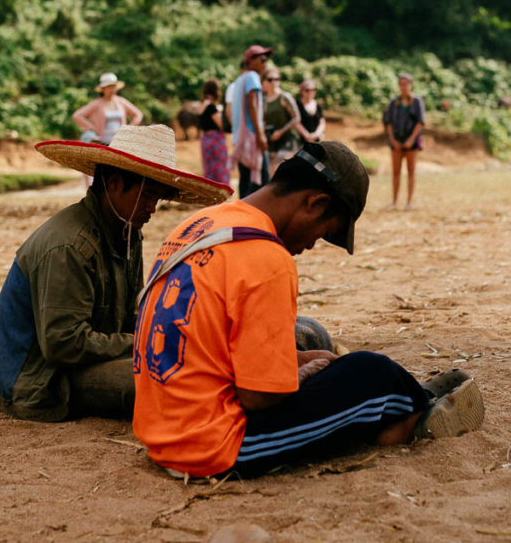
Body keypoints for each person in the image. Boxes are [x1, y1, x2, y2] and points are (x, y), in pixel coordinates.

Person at [132, 142, 484, 478]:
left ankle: (403, 401)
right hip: (212, 444)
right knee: (371, 372)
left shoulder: (204, 224)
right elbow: (258, 398)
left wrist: (299, 361)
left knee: (308, 336)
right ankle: (409, 417)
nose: (313, 244)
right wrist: (299, 377)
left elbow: (212, 336)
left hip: (162, 428)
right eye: (323, 232)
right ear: (314, 204)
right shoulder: (267, 257)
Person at [0, 125, 231, 422]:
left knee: (196, 354)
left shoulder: (127, 231)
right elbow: (64, 344)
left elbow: (132, 315)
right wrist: (140, 341)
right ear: (114, 184)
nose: (152, 208)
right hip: (43, 380)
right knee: (176, 378)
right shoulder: (70, 246)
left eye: (157, 199)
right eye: (147, 196)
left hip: (88, 359)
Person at [230, 45, 272, 199]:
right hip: (252, 139)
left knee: (246, 182)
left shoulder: (240, 79)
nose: (265, 63)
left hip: (240, 141)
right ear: (251, 60)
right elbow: (252, 104)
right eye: (262, 59)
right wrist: (260, 135)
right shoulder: (253, 77)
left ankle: (242, 217)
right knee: (262, 182)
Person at [383, 72, 425, 211]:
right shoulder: (394, 102)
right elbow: (388, 122)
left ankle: (409, 202)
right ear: (398, 85)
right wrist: (393, 140)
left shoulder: (417, 101)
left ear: (410, 85)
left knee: (411, 171)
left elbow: (420, 122)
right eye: (401, 84)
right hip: (396, 141)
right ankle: (394, 202)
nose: (403, 87)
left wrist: (411, 139)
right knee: (396, 172)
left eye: (406, 84)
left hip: (412, 142)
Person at [72, 72, 143, 146]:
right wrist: (91, 127)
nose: (112, 90)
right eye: (109, 87)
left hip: (119, 143)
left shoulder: (121, 101)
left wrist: (129, 128)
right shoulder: (96, 104)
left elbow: (138, 114)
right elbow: (77, 115)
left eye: (113, 87)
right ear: (103, 89)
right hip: (102, 143)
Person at [261, 68, 303, 171]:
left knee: (280, 166)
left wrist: (280, 132)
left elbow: (296, 117)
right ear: (263, 81)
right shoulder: (264, 100)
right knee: (270, 171)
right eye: (270, 79)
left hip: (287, 138)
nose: (274, 82)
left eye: (277, 79)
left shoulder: (284, 97)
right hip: (271, 138)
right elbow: (264, 120)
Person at [198, 79, 230, 185]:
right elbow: (221, 124)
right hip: (215, 140)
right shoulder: (211, 107)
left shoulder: (201, 105)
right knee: (219, 168)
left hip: (205, 140)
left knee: (208, 168)